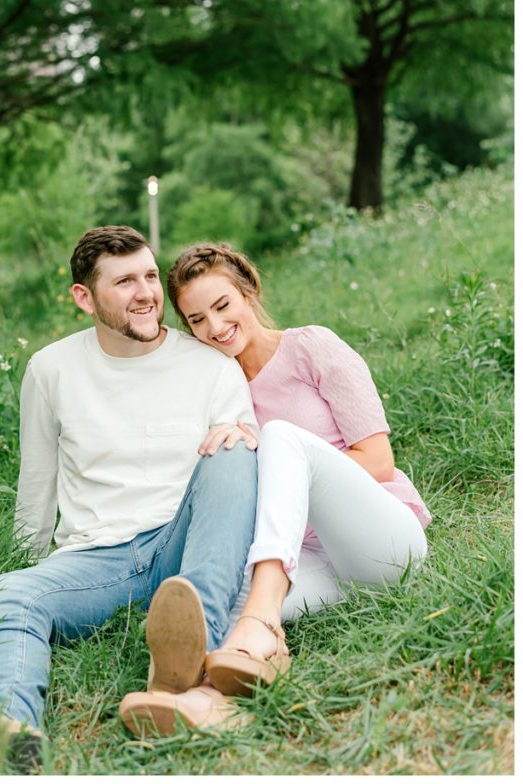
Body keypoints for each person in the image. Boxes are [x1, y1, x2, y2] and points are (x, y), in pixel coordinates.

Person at [0, 226, 261, 770]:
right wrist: (30, 568)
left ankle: (189, 651)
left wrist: (239, 438)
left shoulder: (211, 366)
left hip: (187, 546)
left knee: (235, 447)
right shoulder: (51, 369)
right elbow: (36, 484)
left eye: (151, 276)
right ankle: (5, 731)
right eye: (125, 281)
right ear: (84, 296)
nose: (147, 293)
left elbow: (239, 482)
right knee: (10, 594)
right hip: (99, 558)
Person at [167, 242, 431, 696]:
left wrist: (276, 453)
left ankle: (262, 616)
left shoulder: (311, 347)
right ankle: (210, 696)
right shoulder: (223, 392)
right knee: (226, 599)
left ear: (248, 291)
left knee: (280, 438)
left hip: (385, 545)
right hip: (314, 564)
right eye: (197, 319)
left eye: (222, 305)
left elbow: (378, 459)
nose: (215, 326)